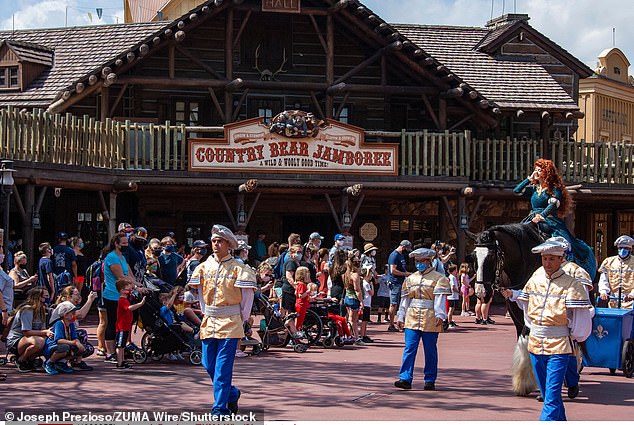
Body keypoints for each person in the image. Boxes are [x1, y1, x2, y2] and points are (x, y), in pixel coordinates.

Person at [501, 238, 593, 421]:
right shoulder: (535, 278)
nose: (547, 263)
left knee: (551, 397)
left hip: (559, 345)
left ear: (561, 259)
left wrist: (574, 335)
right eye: (544, 259)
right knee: (550, 396)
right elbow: (527, 304)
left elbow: (583, 315)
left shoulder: (572, 283)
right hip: (535, 344)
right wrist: (513, 295)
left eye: (552, 259)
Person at [188, 224, 257, 415]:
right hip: (210, 319)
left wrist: (242, 318)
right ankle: (232, 394)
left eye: (220, 241)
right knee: (207, 363)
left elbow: (247, 295)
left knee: (222, 367)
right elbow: (201, 293)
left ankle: (219, 408)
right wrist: (206, 312)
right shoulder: (203, 266)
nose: (216, 244)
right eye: (214, 241)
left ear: (228, 244)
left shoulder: (239, 268)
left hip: (231, 321)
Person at [514, 158, 596, 280]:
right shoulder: (534, 189)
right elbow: (516, 191)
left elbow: (554, 204)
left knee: (565, 242)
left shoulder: (554, 188)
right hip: (532, 217)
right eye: (535, 170)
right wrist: (529, 179)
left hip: (550, 219)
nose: (537, 172)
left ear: (546, 172)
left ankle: (569, 267)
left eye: (539, 170)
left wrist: (542, 216)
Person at [394, 248, 451, 391]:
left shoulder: (439, 278)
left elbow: (439, 299)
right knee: (409, 348)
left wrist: (440, 315)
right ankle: (405, 378)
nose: (419, 264)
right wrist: (401, 316)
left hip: (430, 316)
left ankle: (430, 379)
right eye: (417, 261)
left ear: (429, 261)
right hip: (412, 315)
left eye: (421, 261)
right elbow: (405, 300)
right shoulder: (410, 278)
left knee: (430, 349)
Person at [102, 232, 135, 363]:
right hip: (112, 294)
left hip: (123, 295)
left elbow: (130, 275)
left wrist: (140, 285)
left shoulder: (122, 257)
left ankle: (119, 349)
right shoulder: (112, 257)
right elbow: (121, 277)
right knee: (112, 322)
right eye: (124, 243)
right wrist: (134, 286)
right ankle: (110, 353)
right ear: (116, 244)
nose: (126, 245)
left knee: (122, 323)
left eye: (127, 243)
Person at [6, 287, 52, 372]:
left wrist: (48, 332)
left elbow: (42, 329)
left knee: (50, 342)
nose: (47, 299)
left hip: (30, 338)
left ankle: (30, 359)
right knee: (39, 341)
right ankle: (21, 360)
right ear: (38, 297)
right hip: (16, 340)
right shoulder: (27, 310)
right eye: (45, 296)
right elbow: (26, 332)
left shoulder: (41, 310)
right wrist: (45, 332)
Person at [42, 301, 87, 374]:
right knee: (64, 347)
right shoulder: (59, 324)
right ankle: (49, 363)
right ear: (65, 315)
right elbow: (59, 340)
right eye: (72, 313)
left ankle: (61, 362)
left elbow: (74, 337)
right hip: (53, 347)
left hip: (65, 345)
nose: (74, 315)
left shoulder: (71, 324)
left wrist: (78, 343)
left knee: (83, 348)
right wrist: (74, 343)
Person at [114, 279, 146, 370]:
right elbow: (129, 308)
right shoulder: (122, 300)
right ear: (122, 290)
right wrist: (140, 304)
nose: (130, 291)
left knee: (123, 345)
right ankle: (119, 363)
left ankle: (122, 361)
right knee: (120, 346)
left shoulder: (126, 299)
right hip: (121, 327)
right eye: (128, 289)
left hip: (125, 326)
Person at [598, 235, 634, 309]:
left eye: (626, 248)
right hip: (613, 300)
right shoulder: (609, 261)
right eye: (620, 248)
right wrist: (603, 291)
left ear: (630, 249)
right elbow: (603, 279)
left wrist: (632, 294)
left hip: (631, 301)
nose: (623, 250)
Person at [387, 240, 412, 332]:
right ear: (403, 247)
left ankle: (400, 321)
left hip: (401, 281)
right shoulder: (394, 255)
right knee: (393, 303)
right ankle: (391, 324)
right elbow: (393, 270)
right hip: (395, 281)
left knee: (401, 302)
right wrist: (405, 274)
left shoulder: (401, 255)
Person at [344, 257, 365, 345]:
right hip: (353, 298)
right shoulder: (355, 275)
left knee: (351, 319)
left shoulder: (347, 274)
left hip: (347, 297)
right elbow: (357, 290)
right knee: (353, 320)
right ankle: (351, 337)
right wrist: (361, 301)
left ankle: (353, 336)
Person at [360, 266, 374, 343]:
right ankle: (362, 335)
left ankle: (364, 335)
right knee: (364, 321)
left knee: (365, 321)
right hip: (365, 304)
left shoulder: (364, 283)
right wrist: (372, 285)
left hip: (367, 303)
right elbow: (371, 293)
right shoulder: (366, 284)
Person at [446, 264, 460, 328]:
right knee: (451, 309)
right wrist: (458, 291)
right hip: (452, 296)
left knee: (452, 308)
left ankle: (450, 320)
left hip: (453, 295)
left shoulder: (453, 277)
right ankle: (449, 322)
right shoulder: (452, 277)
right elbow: (453, 287)